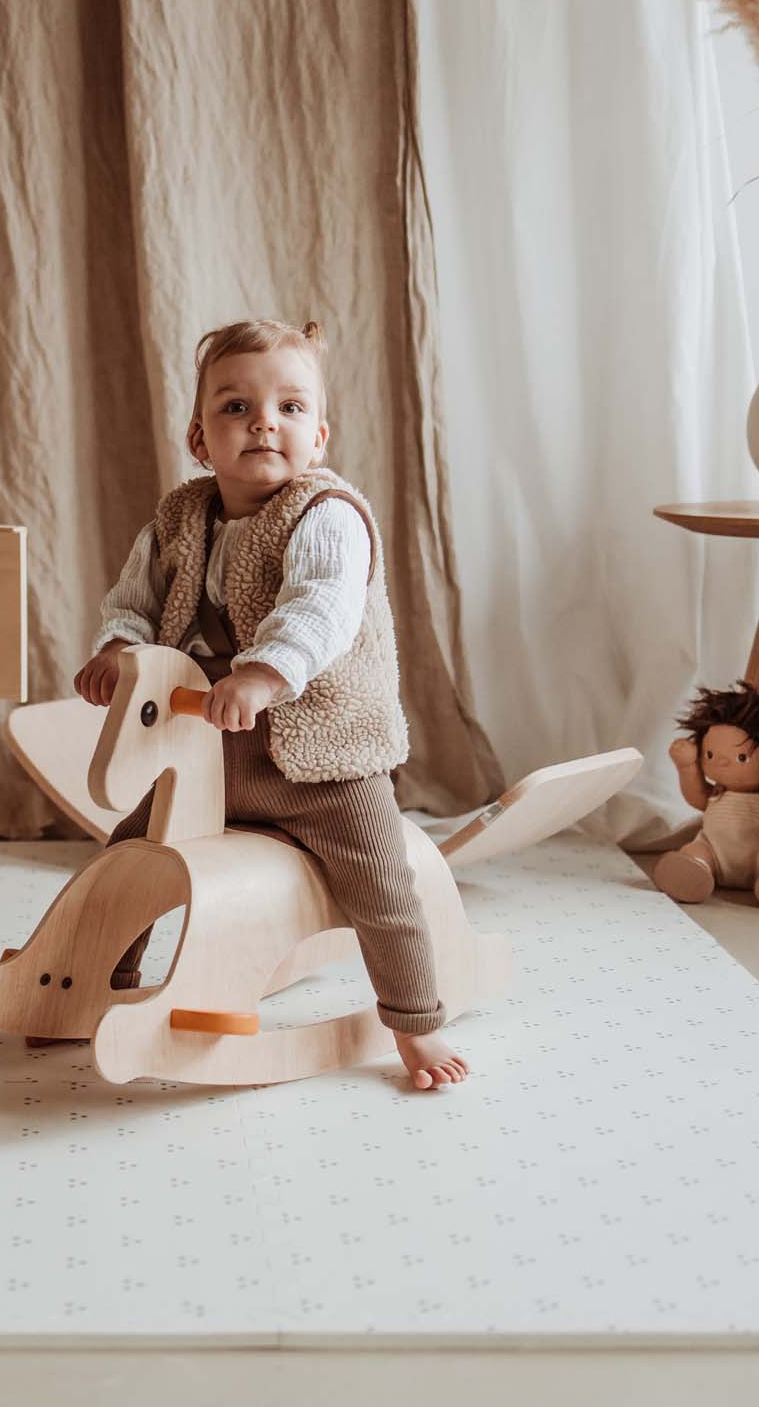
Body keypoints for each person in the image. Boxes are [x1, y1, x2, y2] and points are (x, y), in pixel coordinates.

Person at [73, 318, 467, 1088]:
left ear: (318, 435)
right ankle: (100, 984)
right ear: (199, 436)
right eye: (235, 407)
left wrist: (264, 674)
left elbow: (320, 610)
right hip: (212, 747)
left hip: (322, 750)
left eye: (289, 408)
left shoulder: (325, 515)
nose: (263, 423)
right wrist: (119, 651)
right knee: (128, 858)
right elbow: (134, 600)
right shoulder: (178, 519)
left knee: (382, 880)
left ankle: (416, 1022)